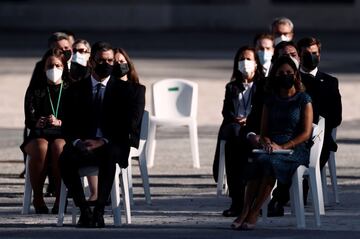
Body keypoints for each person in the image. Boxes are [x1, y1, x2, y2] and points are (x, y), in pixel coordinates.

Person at [59, 41, 138, 228]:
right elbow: (66, 124)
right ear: (91, 62)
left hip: (110, 143)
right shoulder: (75, 90)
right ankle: (84, 209)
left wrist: (102, 141)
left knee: (110, 156)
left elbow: (126, 125)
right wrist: (78, 142)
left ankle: (100, 210)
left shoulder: (125, 90)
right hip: (82, 143)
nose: (107, 64)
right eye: (102, 60)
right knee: (65, 159)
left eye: (110, 61)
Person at [231, 56, 313, 230]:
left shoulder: (303, 100)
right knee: (257, 161)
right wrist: (266, 141)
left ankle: (254, 211)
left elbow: (306, 134)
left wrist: (283, 147)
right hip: (271, 146)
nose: (285, 76)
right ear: (275, 76)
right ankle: (245, 210)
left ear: (296, 75)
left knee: (268, 163)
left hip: (295, 148)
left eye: (289, 73)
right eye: (281, 73)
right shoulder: (270, 100)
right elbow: (264, 131)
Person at [212, 46, 264, 217]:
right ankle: (237, 200)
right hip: (234, 127)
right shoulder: (232, 87)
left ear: (256, 64)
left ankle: (249, 200)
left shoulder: (263, 86)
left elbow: (264, 110)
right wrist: (237, 119)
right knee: (234, 134)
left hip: (254, 127)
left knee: (241, 140)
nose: (245, 63)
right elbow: (226, 112)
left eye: (249, 59)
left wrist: (248, 120)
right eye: (241, 59)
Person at [21, 48, 70, 214]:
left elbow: (77, 119)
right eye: (50, 66)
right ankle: (38, 197)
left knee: (58, 147)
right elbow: (29, 119)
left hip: (62, 134)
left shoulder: (71, 90)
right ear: (44, 68)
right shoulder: (35, 89)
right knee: (41, 147)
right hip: (39, 134)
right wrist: (38, 121)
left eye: (57, 65)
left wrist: (60, 122)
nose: (53, 70)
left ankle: (59, 197)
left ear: (64, 67)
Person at [298, 36, 342, 202]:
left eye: (314, 53)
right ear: (299, 56)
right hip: (294, 134)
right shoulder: (292, 79)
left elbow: (336, 116)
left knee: (316, 148)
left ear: (320, 55)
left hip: (320, 136)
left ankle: (300, 188)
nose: (311, 57)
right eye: (307, 54)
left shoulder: (330, 82)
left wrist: (316, 127)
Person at [113, 48, 145, 148]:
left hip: (126, 137)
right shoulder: (106, 86)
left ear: (128, 63)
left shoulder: (138, 90)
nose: (119, 64)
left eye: (121, 61)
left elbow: (134, 121)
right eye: (115, 62)